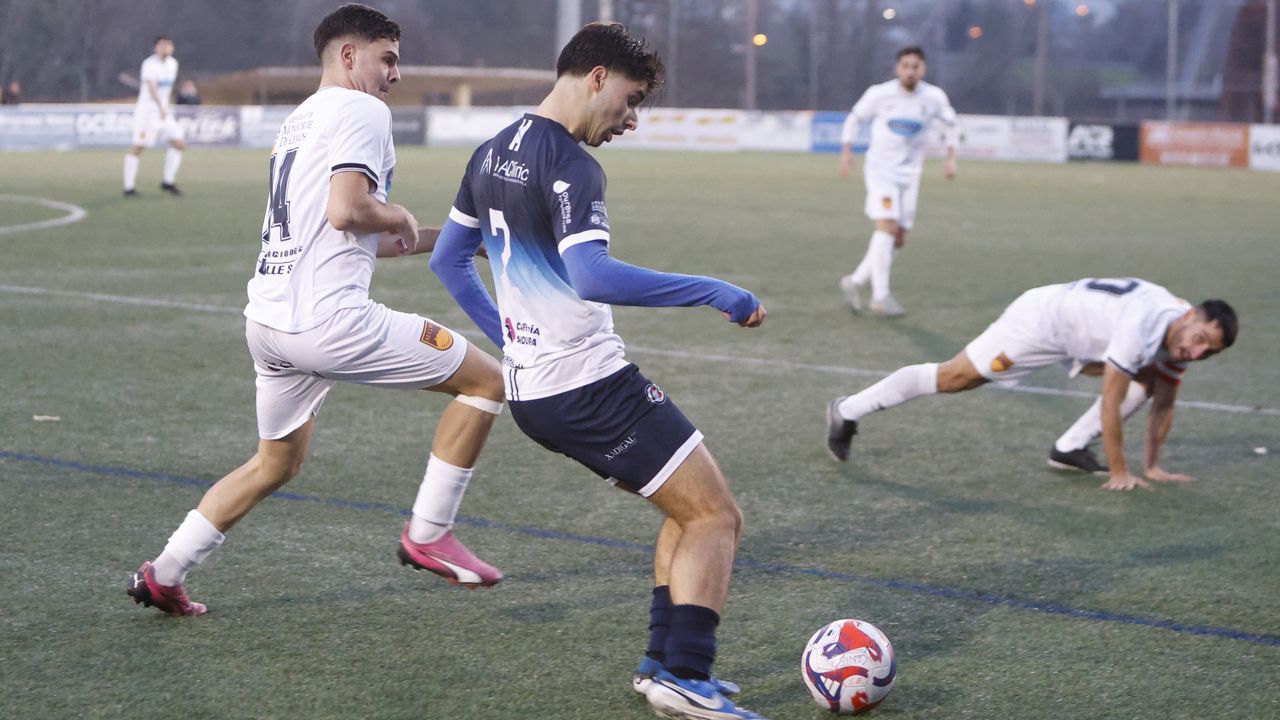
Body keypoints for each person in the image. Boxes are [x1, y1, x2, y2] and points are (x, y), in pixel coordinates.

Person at [430, 22, 769, 720]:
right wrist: (714, 290)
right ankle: (688, 676)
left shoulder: (492, 150)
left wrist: (509, 338)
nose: (631, 119)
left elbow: (448, 259)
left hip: (541, 388)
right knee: (717, 516)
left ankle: (661, 667)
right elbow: (592, 275)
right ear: (597, 77)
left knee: (686, 507)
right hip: (586, 385)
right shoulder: (572, 165)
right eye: (632, 99)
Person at [127, 3, 507, 618]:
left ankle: (162, 574)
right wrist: (400, 212)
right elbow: (349, 210)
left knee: (274, 463)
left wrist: (448, 238)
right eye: (388, 59)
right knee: (487, 382)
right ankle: (429, 533)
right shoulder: (364, 110)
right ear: (349, 55)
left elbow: (348, 237)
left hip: (269, 324)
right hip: (329, 324)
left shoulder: (300, 119)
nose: (396, 74)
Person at [826, 278, 1237, 491]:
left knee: (1148, 379)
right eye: (1200, 339)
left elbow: (1165, 400)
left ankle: (1070, 448)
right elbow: (1111, 399)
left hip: (1083, 335)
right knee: (956, 377)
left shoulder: (1181, 336)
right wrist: (1120, 472)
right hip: (1041, 323)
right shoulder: (1144, 327)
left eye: (1209, 351)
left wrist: (1153, 467)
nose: (1197, 352)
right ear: (1189, 316)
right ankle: (847, 410)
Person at [837, 46, 958, 317]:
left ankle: (855, 281)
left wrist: (951, 157)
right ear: (897, 68)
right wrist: (847, 152)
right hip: (882, 170)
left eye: (916, 66)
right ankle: (880, 297)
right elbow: (854, 118)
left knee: (898, 238)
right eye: (905, 66)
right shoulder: (880, 93)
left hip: (911, 174)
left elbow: (952, 123)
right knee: (887, 226)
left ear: (923, 69)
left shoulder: (934, 97)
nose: (910, 71)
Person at [124, 36, 188, 197]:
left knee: (179, 143)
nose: (165, 48)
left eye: (168, 45)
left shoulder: (173, 64)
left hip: (163, 112)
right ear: (156, 48)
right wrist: (160, 107)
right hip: (148, 113)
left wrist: (165, 107)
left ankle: (168, 182)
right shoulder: (149, 64)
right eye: (162, 45)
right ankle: (128, 187)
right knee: (138, 147)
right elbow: (152, 88)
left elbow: (167, 89)